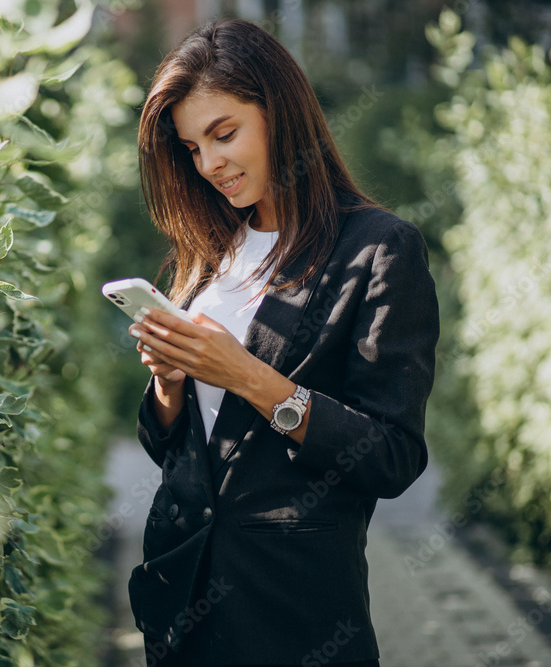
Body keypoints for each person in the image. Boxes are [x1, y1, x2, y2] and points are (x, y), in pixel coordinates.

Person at [125, 18, 439, 667]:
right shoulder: (213, 252)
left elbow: (392, 456)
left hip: (295, 609)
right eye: (191, 148)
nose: (209, 164)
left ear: (281, 115)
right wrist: (169, 381)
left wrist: (249, 376)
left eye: (224, 133)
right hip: (181, 599)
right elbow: (174, 448)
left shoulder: (378, 249)